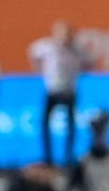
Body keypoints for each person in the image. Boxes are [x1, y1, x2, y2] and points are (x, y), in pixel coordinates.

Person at [29, 21, 91, 166]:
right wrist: (40, 69)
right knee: (45, 123)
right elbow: (33, 52)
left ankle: (68, 155)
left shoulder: (76, 50)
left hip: (69, 91)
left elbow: (90, 61)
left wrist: (79, 72)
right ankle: (47, 156)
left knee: (70, 124)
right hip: (52, 89)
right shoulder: (48, 47)